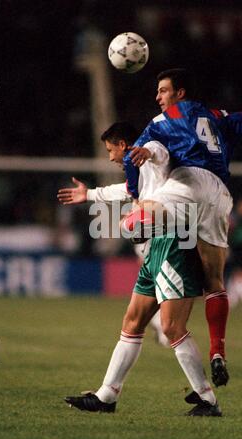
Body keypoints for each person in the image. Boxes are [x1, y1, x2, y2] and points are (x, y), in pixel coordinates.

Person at [123, 68, 242, 386]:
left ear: (180, 93)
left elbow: (130, 155)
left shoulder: (163, 121)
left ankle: (148, 250)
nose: (158, 97)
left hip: (188, 183)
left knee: (135, 224)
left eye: (163, 90)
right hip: (219, 194)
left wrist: (134, 194)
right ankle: (218, 351)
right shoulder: (217, 117)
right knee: (215, 280)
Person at [65, 223, 222, 417]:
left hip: (175, 246)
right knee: (132, 323)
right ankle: (106, 396)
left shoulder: (180, 194)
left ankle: (207, 399)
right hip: (154, 247)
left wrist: (144, 218)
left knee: (172, 327)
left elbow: (178, 202)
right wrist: (92, 197)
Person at [57, 122, 171, 347]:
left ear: (122, 145)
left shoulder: (150, 156)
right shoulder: (139, 168)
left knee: (161, 301)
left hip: (172, 231)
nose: (110, 157)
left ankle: (168, 329)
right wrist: (90, 194)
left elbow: (159, 155)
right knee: (138, 314)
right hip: (158, 231)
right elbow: (129, 189)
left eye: (110, 150)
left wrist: (140, 213)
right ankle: (162, 326)